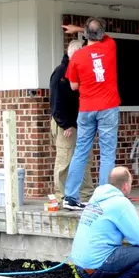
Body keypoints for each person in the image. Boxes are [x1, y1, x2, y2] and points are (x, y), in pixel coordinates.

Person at [62, 18, 120, 210]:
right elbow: (100, 34)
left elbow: (73, 86)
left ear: (85, 34)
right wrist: (80, 29)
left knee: (80, 151)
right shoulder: (110, 46)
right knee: (107, 152)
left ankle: (70, 196)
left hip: (86, 108)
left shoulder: (77, 56)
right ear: (102, 34)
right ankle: (104, 197)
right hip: (108, 107)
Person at [49, 39, 94, 201]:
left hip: (81, 122)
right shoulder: (61, 72)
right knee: (65, 160)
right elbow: (56, 101)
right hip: (66, 124)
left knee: (86, 158)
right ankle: (62, 197)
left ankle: (86, 194)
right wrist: (65, 123)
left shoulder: (80, 71)